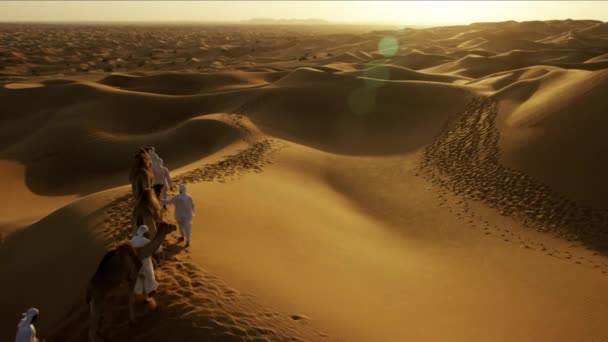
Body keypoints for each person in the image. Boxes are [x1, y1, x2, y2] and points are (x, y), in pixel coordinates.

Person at [130, 225, 159, 299]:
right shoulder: (146, 241)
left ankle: (140, 293)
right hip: (145, 262)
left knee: (139, 279)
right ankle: (149, 292)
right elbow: (156, 249)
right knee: (149, 275)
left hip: (134, 263)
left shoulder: (133, 239)